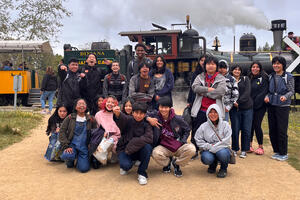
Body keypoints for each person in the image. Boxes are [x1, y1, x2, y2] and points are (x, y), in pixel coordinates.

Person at [148, 97, 196, 177]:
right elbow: (144, 114)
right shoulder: (155, 115)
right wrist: (149, 119)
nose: (163, 109)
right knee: (155, 153)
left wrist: (183, 141)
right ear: (158, 107)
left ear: (170, 108)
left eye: (166, 107)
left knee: (192, 149)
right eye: (161, 107)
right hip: (164, 146)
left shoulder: (177, 118)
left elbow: (187, 129)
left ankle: (177, 163)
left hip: (177, 145)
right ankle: (167, 162)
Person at [190, 56, 226, 159]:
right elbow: (195, 87)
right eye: (208, 64)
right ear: (205, 66)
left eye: (213, 64)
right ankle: (194, 151)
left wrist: (204, 92)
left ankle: (215, 153)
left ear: (216, 66)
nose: (211, 66)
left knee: (215, 132)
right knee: (196, 131)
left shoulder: (221, 78)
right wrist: (208, 89)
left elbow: (220, 92)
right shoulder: (200, 77)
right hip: (201, 109)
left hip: (215, 112)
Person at [113, 102, 153, 185]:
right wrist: (117, 114)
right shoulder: (128, 120)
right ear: (132, 112)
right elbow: (122, 118)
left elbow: (149, 138)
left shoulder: (147, 124)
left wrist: (133, 142)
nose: (138, 116)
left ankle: (142, 173)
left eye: (141, 113)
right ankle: (128, 163)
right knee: (126, 166)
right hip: (125, 149)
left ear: (145, 114)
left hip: (138, 150)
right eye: (136, 113)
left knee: (148, 147)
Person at [264, 56, 294, 161]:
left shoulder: (288, 76)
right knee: (272, 129)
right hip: (272, 105)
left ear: (283, 65)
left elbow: (291, 91)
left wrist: (285, 97)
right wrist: (267, 96)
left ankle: (283, 153)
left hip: (283, 106)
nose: (276, 65)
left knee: (281, 130)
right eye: (274, 63)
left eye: (278, 64)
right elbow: (268, 91)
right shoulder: (271, 76)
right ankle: (276, 151)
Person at [59, 98, 97, 173]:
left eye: (84, 104)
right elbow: (62, 131)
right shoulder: (70, 118)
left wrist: (91, 143)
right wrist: (66, 145)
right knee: (67, 156)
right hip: (72, 145)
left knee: (84, 169)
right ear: (76, 107)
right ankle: (70, 161)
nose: (82, 106)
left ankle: (79, 160)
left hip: (84, 147)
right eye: (79, 104)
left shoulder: (91, 119)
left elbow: (95, 133)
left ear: (86, 107)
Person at [194, 104, 232, 178]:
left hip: (222, 149)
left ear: (219, 113)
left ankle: (223, 168)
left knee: (223, 154)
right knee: (206, 158)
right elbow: (198, 139)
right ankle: (213, 164)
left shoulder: (225, 125)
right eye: (210, 112)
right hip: (209, 149)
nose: (213, 114)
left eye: (215, 112)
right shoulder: (203, 126)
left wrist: (215, 147)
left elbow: (227, 140)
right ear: (207, 113)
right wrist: (208, 146)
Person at [229, 65, 253, 158]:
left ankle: (244, 149)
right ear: (232, 70)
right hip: (234, 109)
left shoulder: (245, 79)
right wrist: (233, 102)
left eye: (239, 69)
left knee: (246, 129)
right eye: (235, 69)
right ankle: (235, 148)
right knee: (235, 129)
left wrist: (238, 101)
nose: (237, 71)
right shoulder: (229, 80)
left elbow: (247, 92)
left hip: (247, 108)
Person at [248, 61, 269, 155]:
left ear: (260, 68)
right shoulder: (249, 77)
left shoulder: (264, 77)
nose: (255, 69)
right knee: (250, 125)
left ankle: (260, 147)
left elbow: (263, 92)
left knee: (257, 124)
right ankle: (249, 145)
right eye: (253, 67)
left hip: (260, 106)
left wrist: (255, 103)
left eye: (257, 67)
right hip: (250, 106)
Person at [94, 96, 121, 165]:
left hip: (116, 136)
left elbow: (120, 128)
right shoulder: (98, 114)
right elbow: (97, 127)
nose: (110, 104)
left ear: (115, 104)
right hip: (103, 136)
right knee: (99, 156)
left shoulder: (118, 114)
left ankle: (115, 154)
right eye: (108, 102)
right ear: (105, 103)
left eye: (113, 102)